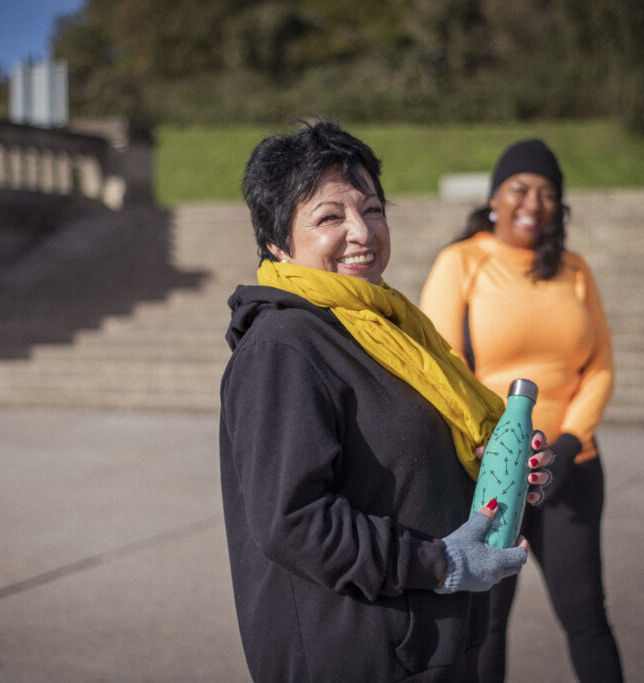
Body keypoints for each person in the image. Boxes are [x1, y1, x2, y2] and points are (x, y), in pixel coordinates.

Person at [219, 120, 554, 682]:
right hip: (358, 654)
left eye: (372, 209)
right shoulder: (284, 347)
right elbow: (294, 520)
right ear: (277, 242)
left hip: (430, 642)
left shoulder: (386, 328)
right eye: (330, 216)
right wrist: (439, 563)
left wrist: (500, 474)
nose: (362, 232)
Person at [419, 138, 624, 682]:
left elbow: (600, 367)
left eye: (548, 193)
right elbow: (441, 364)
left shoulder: (575, 270)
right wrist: (493, 447)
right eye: (520, 188)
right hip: (491, 471)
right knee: (486, 623)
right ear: (495, 198)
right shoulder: (462, 261)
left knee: (587, 618)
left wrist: (568, 442)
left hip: (572, 467)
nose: (533, 202)